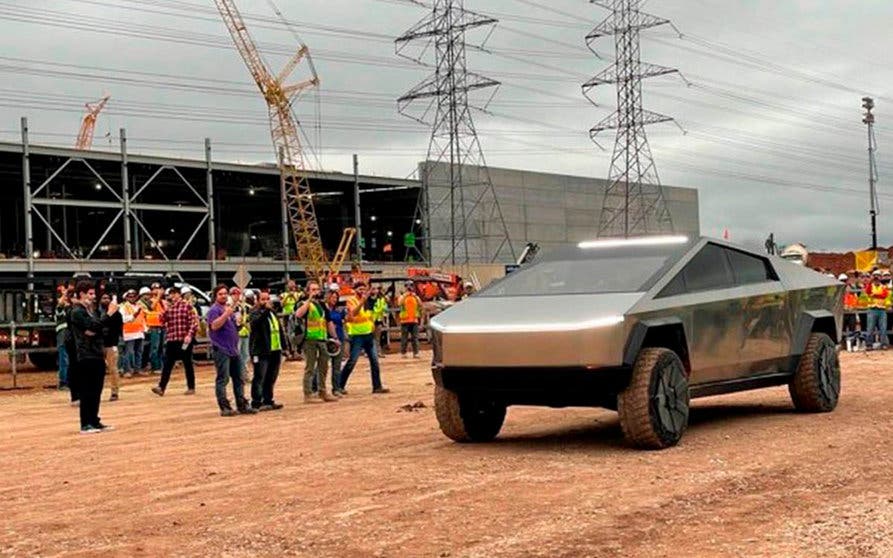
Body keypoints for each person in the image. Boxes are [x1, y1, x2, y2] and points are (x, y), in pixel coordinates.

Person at [68, 280, 118, 434]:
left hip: (97, 353)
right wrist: (108, 315)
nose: (93, 297)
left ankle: (94, 420)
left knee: (97, 389)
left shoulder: (90, 311)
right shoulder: (77, 311)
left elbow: (99, 328)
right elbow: (93, 327)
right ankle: (86, 423)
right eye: (90, 293)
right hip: (85, 354)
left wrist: (96, 327)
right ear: (82, 294)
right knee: (87, 390)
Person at [207, 285, 257, 416]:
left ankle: (241, 404)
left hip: (234, 349)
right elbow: (214, 326)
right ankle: (224, 407)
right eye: (220, 294)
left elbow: (235, 328)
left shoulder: (228, 309)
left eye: (225, 293)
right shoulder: (214, 310)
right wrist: (226, 315)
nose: (223, 296)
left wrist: (238, 323)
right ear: (215, 296)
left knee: (239, 378)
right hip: (221, 349)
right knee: (223, 379)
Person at [338, 282, 389, 395]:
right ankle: (339, 385)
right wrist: (362, 301)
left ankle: (377, 386)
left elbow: (372, 314)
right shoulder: (352, 300)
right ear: (355, 290)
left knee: (374, 361)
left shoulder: (368, 301)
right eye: (360, 289)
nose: (362, 291)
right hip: (357, 335)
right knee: (352, 361)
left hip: (368, 334)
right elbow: (353, 313)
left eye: (363, 289)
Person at [294, 280, 339, 403]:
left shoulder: (322, 305)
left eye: (317, 289)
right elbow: (298, 314)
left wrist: (335, 338)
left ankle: (322, 391)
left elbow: (328, 322)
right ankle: (307, 394)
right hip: (309, 339)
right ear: (307, 291)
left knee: (323, 366)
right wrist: (309, 300)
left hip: (322, 339)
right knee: (310, 367)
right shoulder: (303, 303)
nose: (315, 292)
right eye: (312, 290)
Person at [152, 286, 199, 397]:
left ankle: (191, 387)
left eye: (173, 294)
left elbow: (194, 322)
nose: (171, 297)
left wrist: (189, 335)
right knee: (168, 364)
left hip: (184, 340)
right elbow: (162, 321)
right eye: (170, 294)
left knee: (187, 363)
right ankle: (161, 387)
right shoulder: (170, 308)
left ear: (178, 294)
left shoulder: (187, 306)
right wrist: (163, 311)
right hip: (172, 339)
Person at [249, 290, 285, 411]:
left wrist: (285, 346)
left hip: (274, 349)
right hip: (260, 350)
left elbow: (279, 329)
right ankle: (256, 402)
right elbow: (256, 324)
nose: (265, 302)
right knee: (260, 376)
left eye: (267, 299)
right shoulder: (254, 312)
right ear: (257, 300)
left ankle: (268, 400)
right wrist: (266, 311)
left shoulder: (272, 313)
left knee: (271, 376)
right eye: (263, 299)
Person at [325, 284, 347, 396]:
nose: (334, 300)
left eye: (336, 298)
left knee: (337, 365)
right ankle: (316, 387)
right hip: (328, 340)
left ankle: (336, 388)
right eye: (332, 297)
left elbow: (345, 320)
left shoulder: (339, 310)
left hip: (339, 338)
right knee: (323, 365)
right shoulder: (324, 310)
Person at [120, 289, 146, 378]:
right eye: (130, 296)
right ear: (127, 297)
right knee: (129, 352)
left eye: (134, 296)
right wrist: (133, 316)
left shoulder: (139, 306)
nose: (132, 298)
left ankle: (137, 369)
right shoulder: (124, 307)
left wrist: (145, 329)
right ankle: (127, 370)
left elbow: (142, 318)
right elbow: (122, 319)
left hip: (139, 332)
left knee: (139, 352)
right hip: (129, 333)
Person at [141, 283, 166, 374]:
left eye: (158, 288)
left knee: (161, 347)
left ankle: (161, 365)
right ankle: (155, 367)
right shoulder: (150, 300)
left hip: (162, 326)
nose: (157, 290)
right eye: (154, 289)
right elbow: (151, 308)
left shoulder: (162, 301)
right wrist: (158, 297)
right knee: (154, 347)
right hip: (153, 326)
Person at [397, 281, 422, 359]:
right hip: (405, 321)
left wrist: (416, 297)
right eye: (407, 286)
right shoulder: (402, 296)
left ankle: (416, 353)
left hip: (414, 320)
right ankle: (403, 352)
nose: (409, 288)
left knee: (415, 338)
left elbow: (420, 305)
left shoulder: (415, 297)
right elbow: (399, 303)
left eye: (411, 286)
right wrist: (405, 295)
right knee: (404, 338)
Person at [865, 271, 889, 350]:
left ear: (880, 278)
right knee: (870, 328)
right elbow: (867, 292)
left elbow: (884, 295)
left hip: (881, 309)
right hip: (872, 309)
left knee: (883, 328)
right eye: (875, 276)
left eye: (878, 276)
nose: (876, 278)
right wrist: (870, 281)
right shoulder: (870, 286)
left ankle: (884, 344)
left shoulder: (883, 287)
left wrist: (874, 295)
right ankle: (869, 345)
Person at [233, 287, 253, 381]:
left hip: (246, 333)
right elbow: (237, 320)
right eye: (235, 294)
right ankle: (239, 374)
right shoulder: (234, 307)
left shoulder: (247, 307)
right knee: (237, 354)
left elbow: (249, 318)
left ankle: (244, 374)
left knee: (245, 355)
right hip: (237, 333)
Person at [54, 286, 71, 391]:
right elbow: (60, 306)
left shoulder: (71, 310)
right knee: (64, 361)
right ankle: (63, 382)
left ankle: (68, 381)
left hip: (70, 338)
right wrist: (64, 294)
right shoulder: (60, 311)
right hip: (63, 339)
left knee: (69, 361)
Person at [369, 285, 389, 358]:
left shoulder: (381, 299)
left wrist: (383, 322)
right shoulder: (367, 299)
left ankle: (378, 352)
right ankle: (369, 352)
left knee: (377, 338)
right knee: (370, 338)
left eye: (376, 289)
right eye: (373, 289)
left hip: (378, 320)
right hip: (370, 321)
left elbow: (383, 310)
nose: (375, 291)